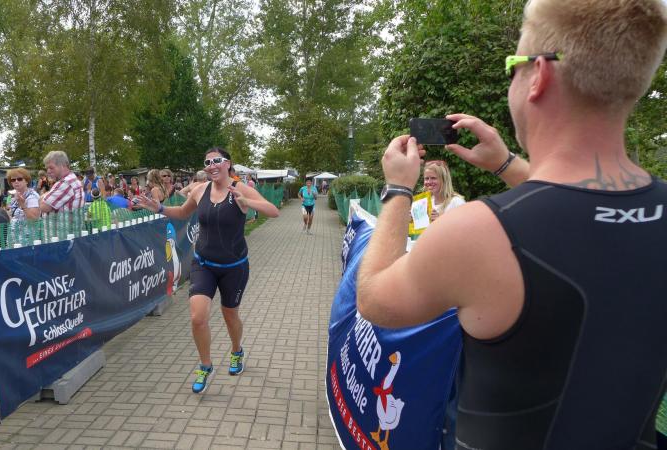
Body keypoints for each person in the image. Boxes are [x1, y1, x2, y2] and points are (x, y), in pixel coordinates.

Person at [356, 1, 667, 448]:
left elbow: (374, 300)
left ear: (537, 74)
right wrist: (504, 163)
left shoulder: (479, 233)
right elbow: (583, 213)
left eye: (512, 66)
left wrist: (398, 189)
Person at [135, 147, 280, 394]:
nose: (212, 165)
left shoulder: (240, 189)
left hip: (234, 267)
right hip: (204, 264)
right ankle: (205, 365)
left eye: (217, 161)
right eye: (207, 162)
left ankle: (237, 351)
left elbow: (273, 211)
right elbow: (183, 212)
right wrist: (159, 208)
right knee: (197, 317)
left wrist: (246, 202)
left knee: (230, 315)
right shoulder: (200, 189)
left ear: (228, 164)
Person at [6, 168, 40, 245]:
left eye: (20, 179)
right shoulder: (15, 196)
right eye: (13, 180)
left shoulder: (32, 196)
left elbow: (34, 219)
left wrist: (23, 205)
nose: (16, 181)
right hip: (14, 239)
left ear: (26, 181)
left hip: (27, 240)